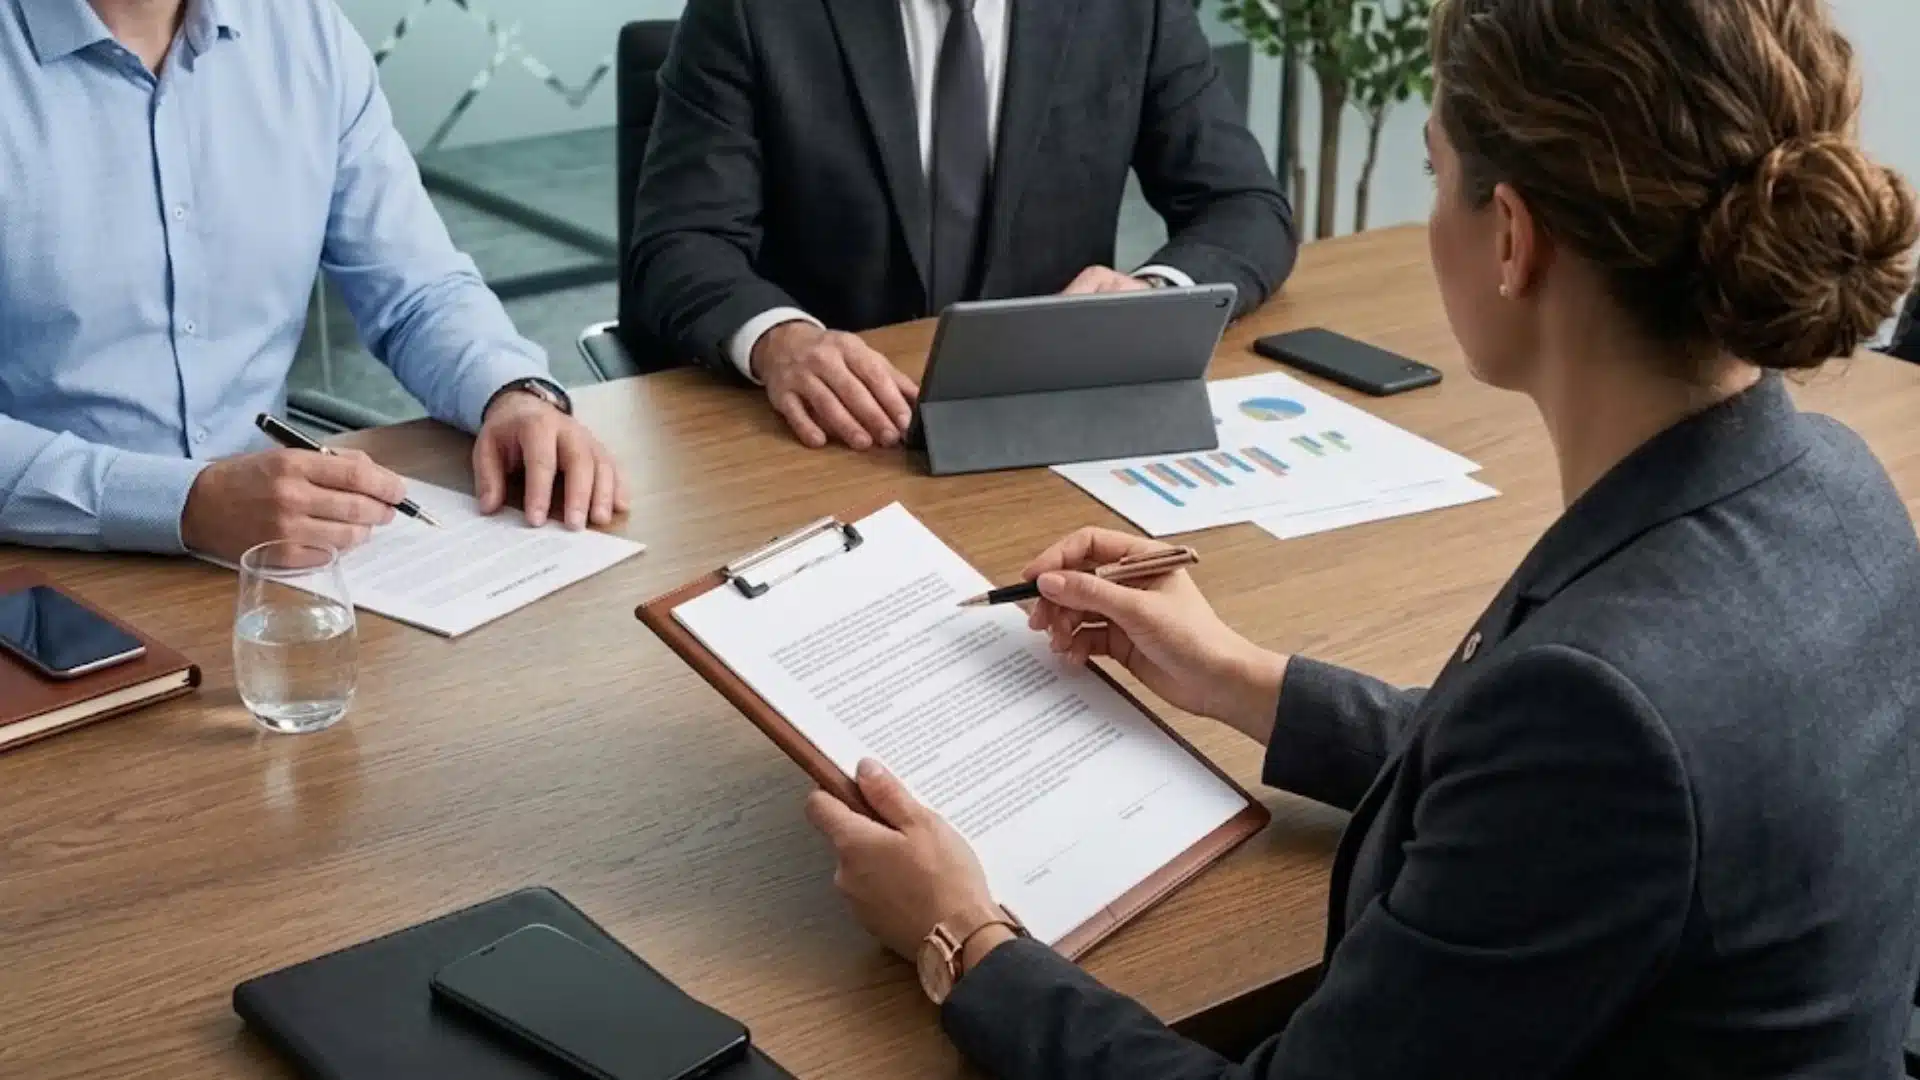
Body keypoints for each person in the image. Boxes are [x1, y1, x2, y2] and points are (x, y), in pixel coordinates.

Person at [802, 0, 1920, 1075]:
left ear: (1514, 239)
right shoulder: (1837, 489)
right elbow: (1538, 800)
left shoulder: (1597, 709)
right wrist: (1243, 680)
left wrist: (966, 941)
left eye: (1437, 176)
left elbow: (1581, 764)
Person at [0, 0, 629, 562]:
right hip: (46, 561)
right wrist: (181, 503)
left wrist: (511, 393)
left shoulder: (304, 31)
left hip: (276, 551)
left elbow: (417, 288)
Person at [628, 0, 1296, 451]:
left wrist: (1153, 298)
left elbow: (1244, 206)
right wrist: (779, 340)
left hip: (1045, 418)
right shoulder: (752, 11)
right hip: (837, 436)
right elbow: (680, 242)